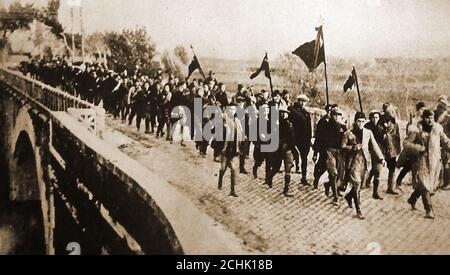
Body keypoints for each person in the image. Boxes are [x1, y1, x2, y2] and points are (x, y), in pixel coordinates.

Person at [404, 109, 450, 219]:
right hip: (421, 161)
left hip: (434, 161)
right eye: (427, 118)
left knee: (429, 185)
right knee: (425, 185)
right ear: (423, 118)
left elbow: (445, 141)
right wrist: (418, 148)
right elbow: (406, 143)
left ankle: (412, 199)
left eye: (432, 118)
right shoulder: (416, 129)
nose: (430, 120)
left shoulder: (437, 128)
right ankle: (429, 210)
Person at [342, 112, 386, 220]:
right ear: (355, 121)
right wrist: (352, 148)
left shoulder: (368, 132)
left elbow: (374, 145)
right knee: (356, 183)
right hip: (353, 162)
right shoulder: (348, 133)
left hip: (365, 161)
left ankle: (349, 196)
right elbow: (342, 146)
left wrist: (381, 158)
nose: (361, 124)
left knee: (360, 185)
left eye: (362, 121)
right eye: (359, 121)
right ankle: (358, 210)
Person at [265, 105, 296, 197]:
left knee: (287, 169)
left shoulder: (286, 124)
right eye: (281, 113)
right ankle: (269, 178)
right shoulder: (279, 124)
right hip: (281, 149)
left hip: (286, 149)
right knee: (277, 167)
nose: (283, 115)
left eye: (284, 113)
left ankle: (286, 189)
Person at [218, 103, 244, 197]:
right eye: (230, 109)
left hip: (233, 150)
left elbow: (241, 132)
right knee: (223, 168)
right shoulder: (223, 119)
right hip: (225, 150)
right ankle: (220, 178)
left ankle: (232, 190)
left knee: (233, 169)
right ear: (227, 110)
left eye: (234, 110)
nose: (232, 111)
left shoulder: (237, 121)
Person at [324, 107, 347, 205]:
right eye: (335, 115)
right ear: (332, 116)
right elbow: (322, 140)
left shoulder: (343, 127)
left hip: (340, 153)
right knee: (333, 173)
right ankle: (335, 196)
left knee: (340, 173)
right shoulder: (327, 126)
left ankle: (328, 184)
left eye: (339, 115)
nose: (337, 117)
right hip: (330, 151)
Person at [290, 94, 312, 186]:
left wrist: (310, 138)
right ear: (298, 101)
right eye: (301, 101)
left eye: (304, 101)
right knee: (293, 155)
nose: (302, 103)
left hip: (305, 139)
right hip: (296, 138)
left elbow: (309, 128)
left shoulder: (306, 113)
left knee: (304, 158)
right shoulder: (293, 111)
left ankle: (304, 177)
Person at [364, 110, 387, 199]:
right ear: (370, 118)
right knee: (372, 168)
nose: (375, 119)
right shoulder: (367, 126)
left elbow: (384, 141)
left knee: (377, 170)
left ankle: (375, 192)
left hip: (378, 151)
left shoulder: (381, 127)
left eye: (377, 117)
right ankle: (368, 179)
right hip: (369, 151)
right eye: (373, 117)